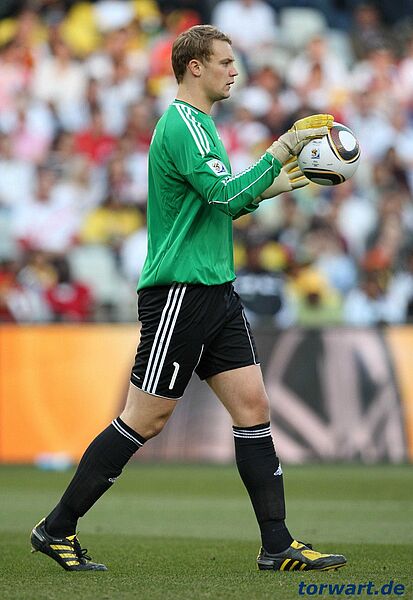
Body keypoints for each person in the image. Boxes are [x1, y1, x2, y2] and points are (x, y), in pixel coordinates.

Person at [30, 24, 346, 573]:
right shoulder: (182, 125)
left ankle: (277, 545)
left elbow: (218, 203)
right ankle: (56, 528)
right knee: (144, 419)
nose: (234, 71)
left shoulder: (202, 126)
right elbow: (224, 197)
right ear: (194, 66)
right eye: (225, 61)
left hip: (215, 289)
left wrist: (275, 183)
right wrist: (279, 151)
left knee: (253, 409)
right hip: (180, 291)